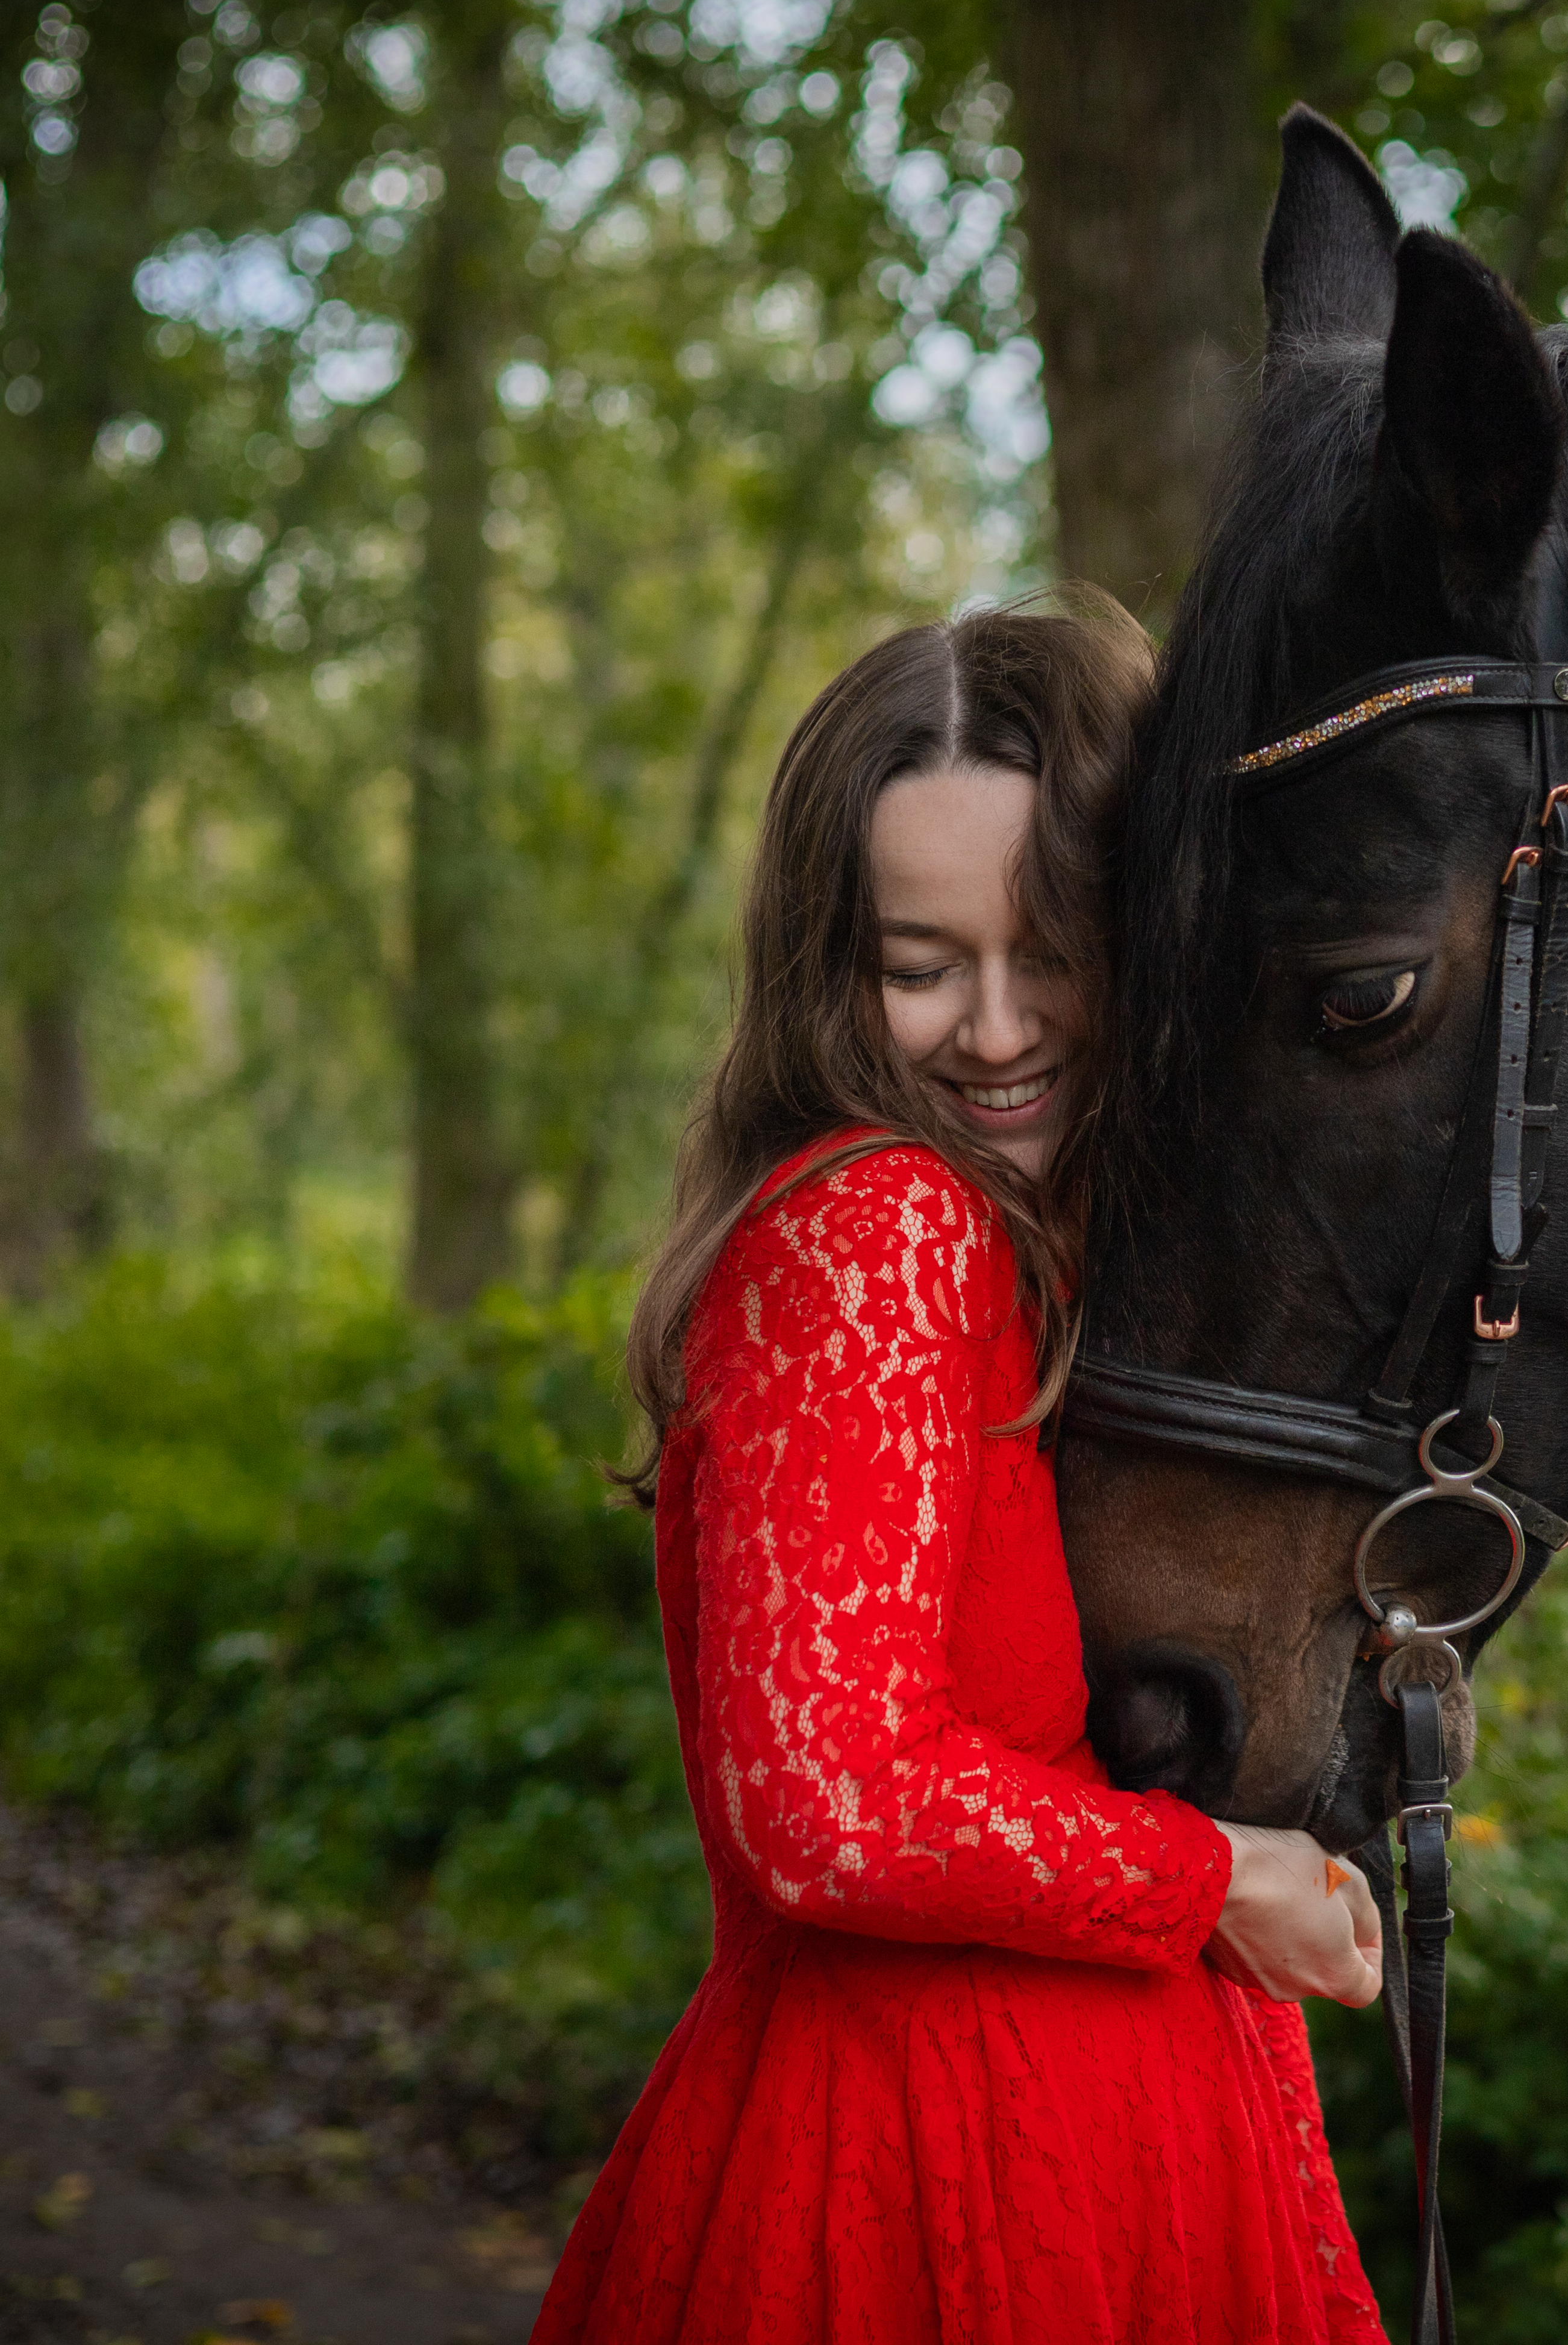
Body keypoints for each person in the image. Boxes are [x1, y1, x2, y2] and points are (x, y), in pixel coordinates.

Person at [532, 592, 1388, 2342]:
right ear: (826, 973)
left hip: (1110, 2161)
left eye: (1051, 948)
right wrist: (1218, 1880)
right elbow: (826, 1800)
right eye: (922, 965)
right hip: (932, 2192)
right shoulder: (882, 1224)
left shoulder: (1071, 1261)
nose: (997, 1029)